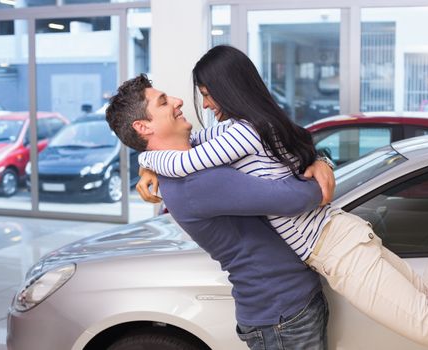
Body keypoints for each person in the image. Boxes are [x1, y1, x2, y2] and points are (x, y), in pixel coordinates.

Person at [134, 45, 428, 348]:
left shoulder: (238, 132)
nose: (202, 105)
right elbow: (190, 145)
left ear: (225, 89)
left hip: (334, 248)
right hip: (339, 235)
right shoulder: (254, 125)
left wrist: (147, 156)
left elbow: (189, 160)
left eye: (205, 94)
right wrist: (149, 163)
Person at [106, 76, 333, 350]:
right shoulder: (197, 183)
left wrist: (147, 162)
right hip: (282, 311)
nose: (179, 102)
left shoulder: (188, 165)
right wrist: (320, 165)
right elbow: (302, 197)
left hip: (282, 306)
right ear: (143, 126)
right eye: (164, 102)